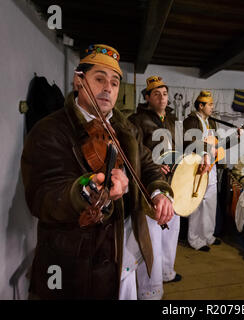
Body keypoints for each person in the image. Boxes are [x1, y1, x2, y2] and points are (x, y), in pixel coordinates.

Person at [21, 44, 174, 300]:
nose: (108, 88)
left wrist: (159, 191)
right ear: (79, 81)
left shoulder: (125, 127)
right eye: (99, 79)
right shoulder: (50, 129)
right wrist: (85, 189)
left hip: (122, 250)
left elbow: (146, 164)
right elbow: (42, 195)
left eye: (114, 83)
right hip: (77, 262)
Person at [128, 76, 182, 300]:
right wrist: (154, 164)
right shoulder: (136, 120)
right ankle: (151, 289)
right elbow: (134, 152)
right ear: (147, 97)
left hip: (172, 183)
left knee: (172, 228)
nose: (162, 98)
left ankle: (167, 271)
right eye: (156, 94)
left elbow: (177, 146)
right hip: (150, 184)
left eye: (164, 93)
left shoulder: (170, 119)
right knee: (152, 236)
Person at [182, 91, 222, 252]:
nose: (212, 107)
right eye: (210, 104)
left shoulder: (211, 122)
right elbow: (190, 142)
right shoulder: (191, 121)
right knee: (197, 203)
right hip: (197, 166)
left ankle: (208, 235)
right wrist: (205, 151)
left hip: (211, 167)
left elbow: (216, 142)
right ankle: (195, 239)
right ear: (201, 105)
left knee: (211, 202)